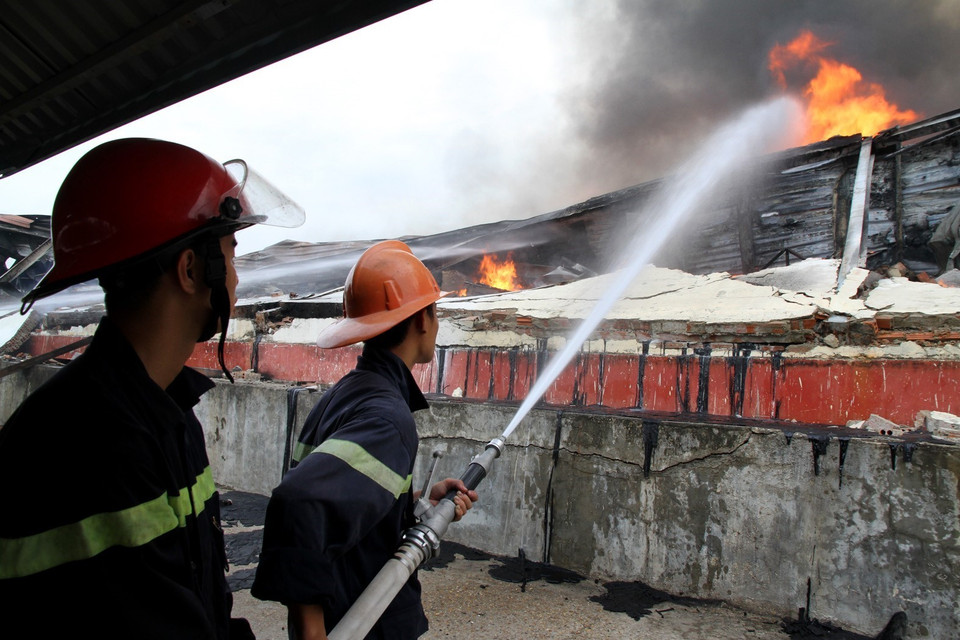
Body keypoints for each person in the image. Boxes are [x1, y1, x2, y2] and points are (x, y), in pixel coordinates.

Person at [0, 138, 304, 639]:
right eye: (230, 253)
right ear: (190, 270)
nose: (235, 277)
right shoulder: (97, 447)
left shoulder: (165, 411)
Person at [252, 240, 479, 640]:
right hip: (366, 621)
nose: (436, 323)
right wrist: (312, 632)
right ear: (422, 319)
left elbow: (344, 508)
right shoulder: (387, 418)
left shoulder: (345, 393)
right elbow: (299, 507)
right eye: (434, 310)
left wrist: (411, 502)